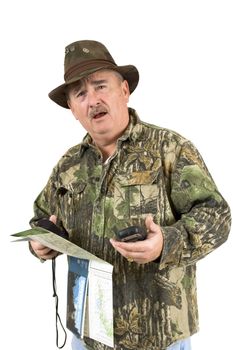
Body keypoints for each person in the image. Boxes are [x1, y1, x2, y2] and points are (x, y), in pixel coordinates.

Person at [29, 40, 231, 350]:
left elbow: (216, 216)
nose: (92, 99)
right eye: (80, 93)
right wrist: (40, 242)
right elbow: (43, 219)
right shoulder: (68, 165)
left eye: (100, 86)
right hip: (88, 333)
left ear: (124, 90)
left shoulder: (170, 149)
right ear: (72, 107)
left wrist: (167, 241)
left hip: (158, 334)